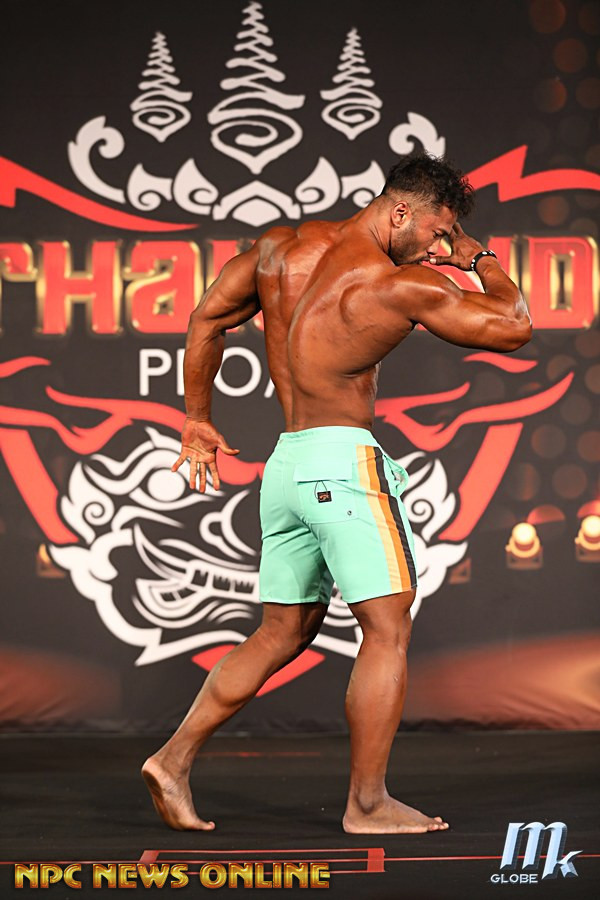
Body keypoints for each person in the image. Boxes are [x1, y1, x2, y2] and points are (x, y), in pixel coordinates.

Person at [142, 153, 532, 834]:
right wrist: (477, 257)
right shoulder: (396, 283)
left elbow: (206, 318)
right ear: (401, 211)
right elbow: (514, 324)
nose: (438, 247)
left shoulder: (279, 250)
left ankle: (171, 761)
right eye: (438, 232)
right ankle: (369, 804)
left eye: (448, 240)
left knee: (282, 630)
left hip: (286, 465)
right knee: (387, 629)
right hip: (343, 466)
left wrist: (197, 417)